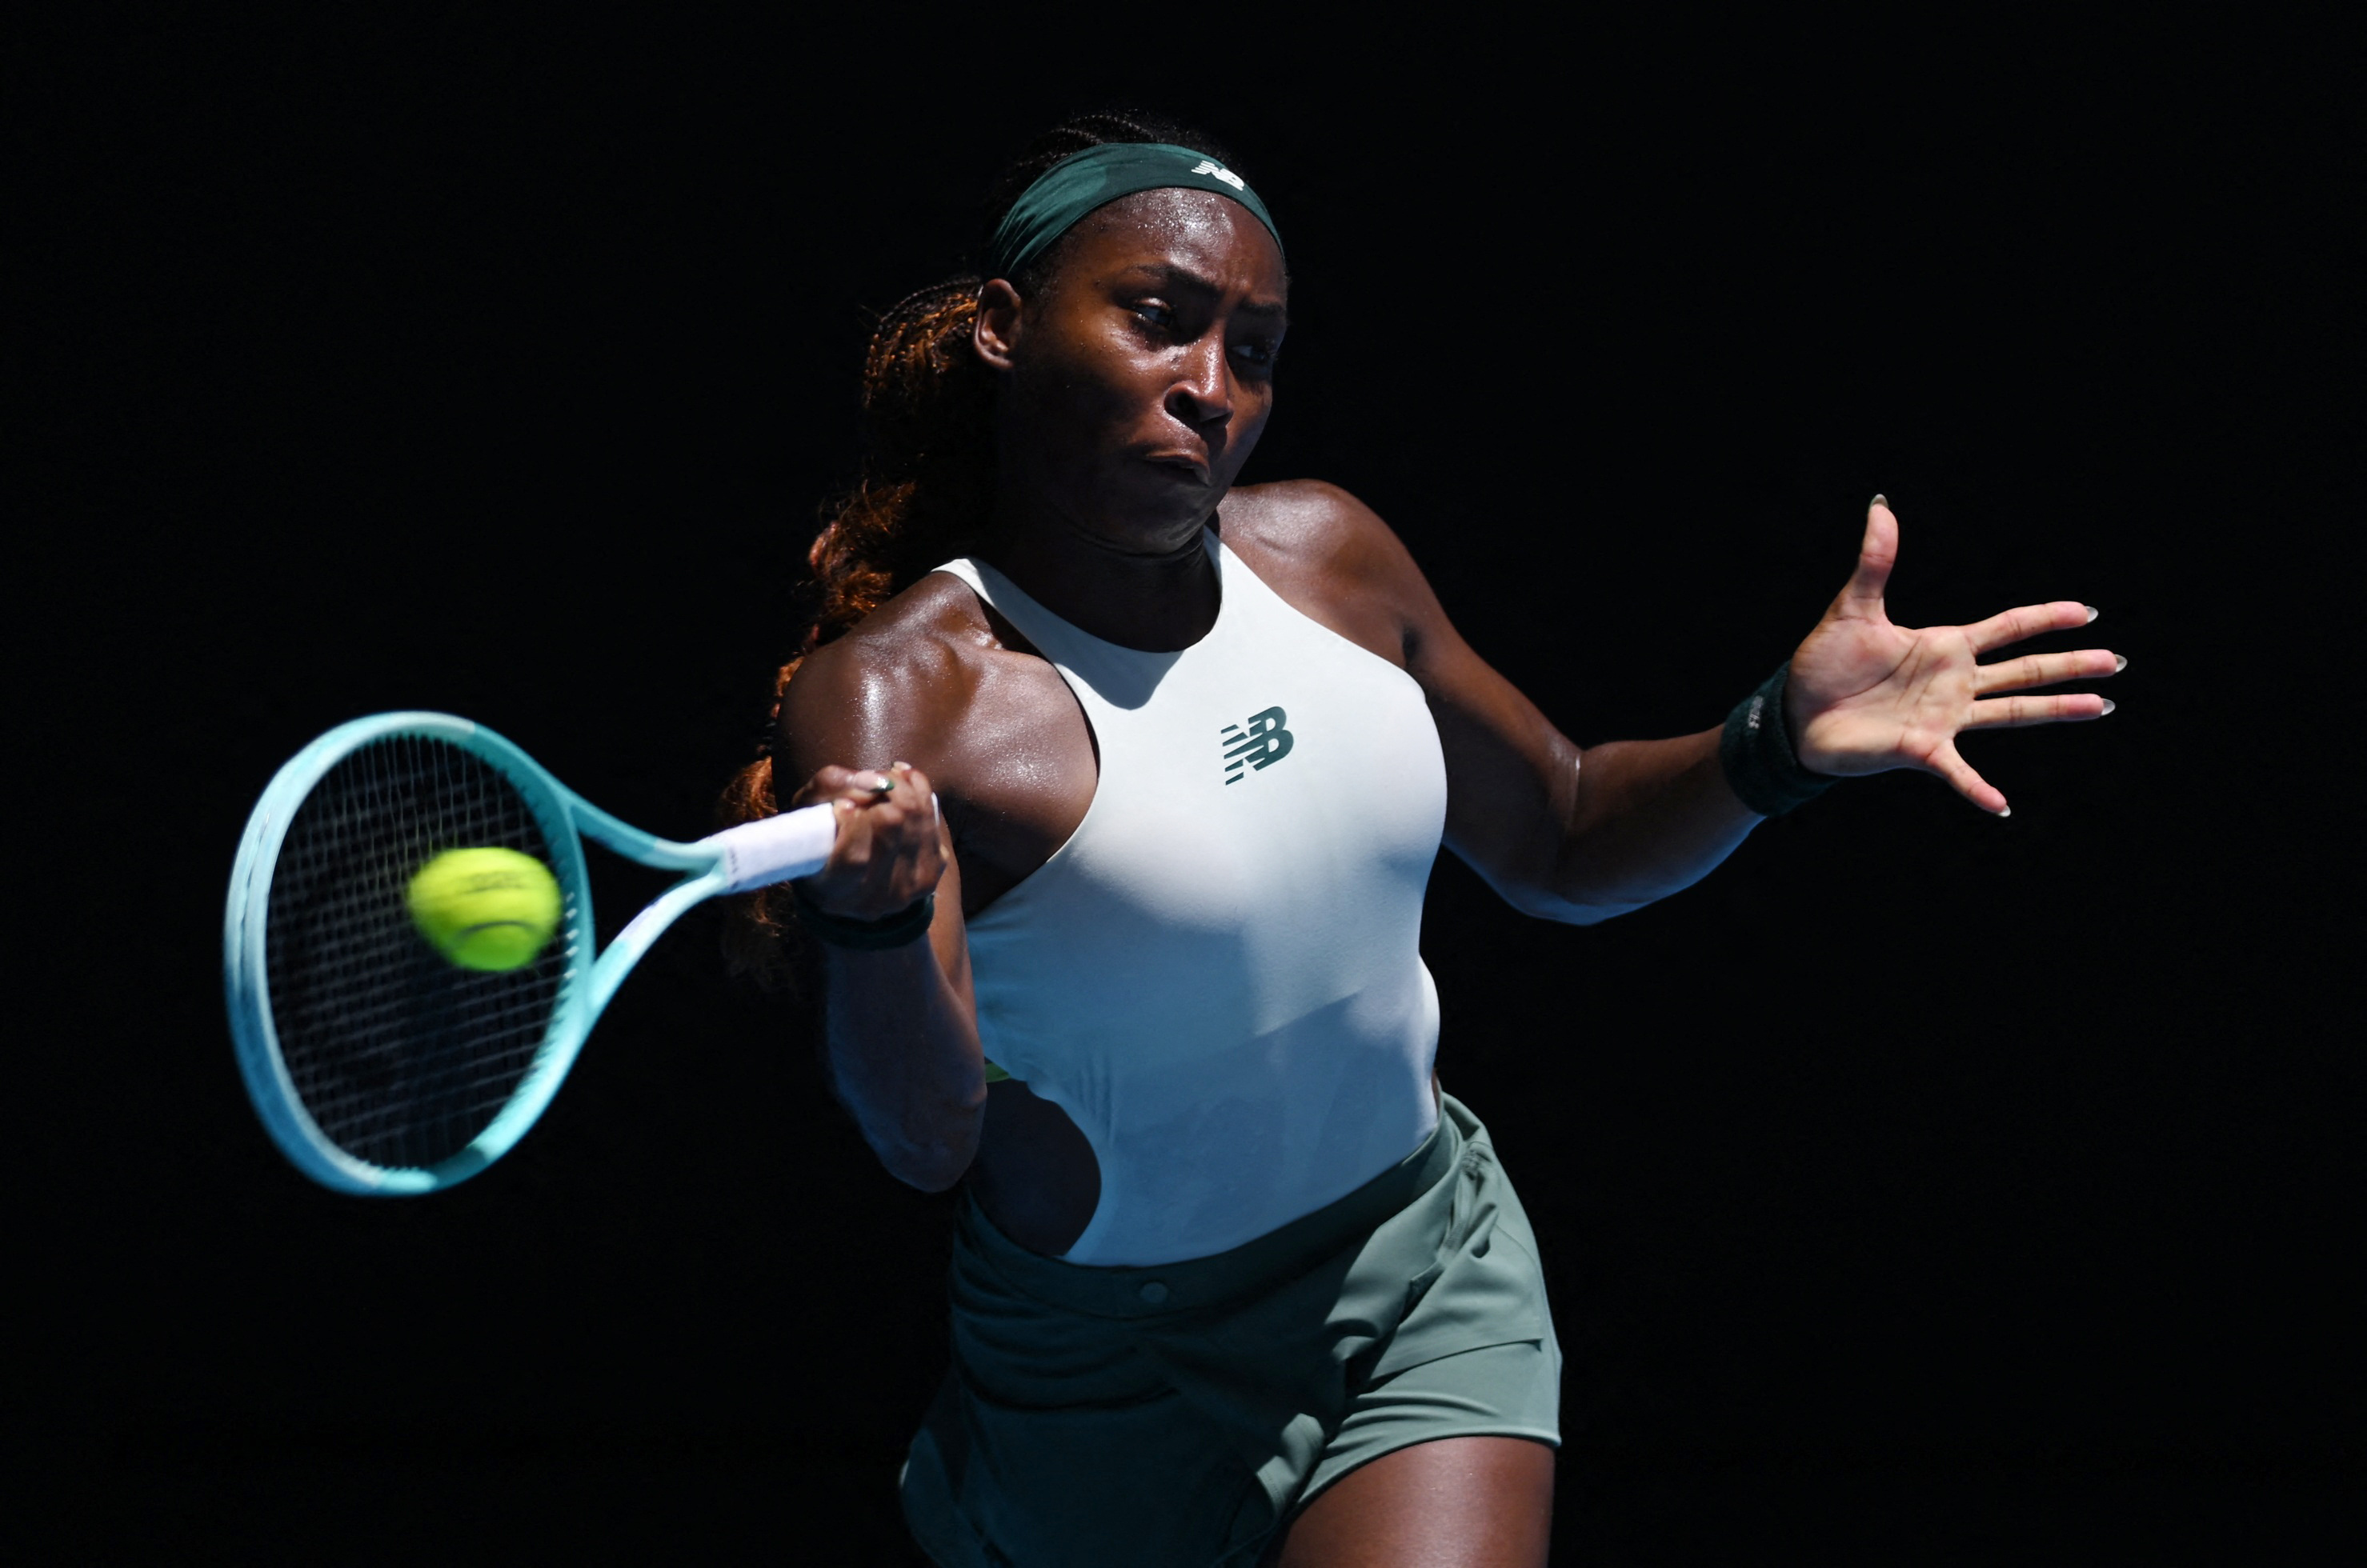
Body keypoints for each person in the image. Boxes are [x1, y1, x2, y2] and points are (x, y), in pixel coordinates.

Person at [717, 112, 2120, 1568]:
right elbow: (926, 1139)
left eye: (1251, 350)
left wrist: (1774, 742)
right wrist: (875, 924)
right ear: (1006, 329)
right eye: (1158, 322)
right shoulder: (896, 695)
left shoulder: (1327, 557)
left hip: (1416, 1266)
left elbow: (1566, 835)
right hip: (1102, 1380)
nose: (1209, 388)